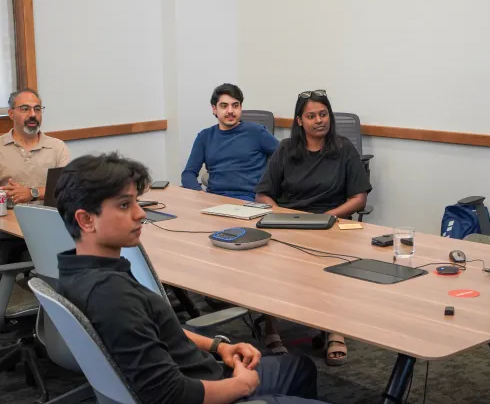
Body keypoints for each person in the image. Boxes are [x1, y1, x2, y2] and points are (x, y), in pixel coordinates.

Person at [55, 152, 329, 404]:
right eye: (125, 205)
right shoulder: (111, 295)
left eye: (136, 202)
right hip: (207, 391)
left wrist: (219, 346)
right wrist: (242, 386)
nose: (140, 213)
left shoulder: (77, 269)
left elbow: (154, 329)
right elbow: (171, 395)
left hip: (204, 370)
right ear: (86, 220)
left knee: (299, 368)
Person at [255, 89, 372, 366]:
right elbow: (263, 194)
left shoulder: (344, 149)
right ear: (299, 121)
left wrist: (325, 219)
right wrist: (282, 215)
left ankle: (335, 330)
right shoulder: (285, 150)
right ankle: (271, 328)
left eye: (323, 114)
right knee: (262, 260)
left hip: (331, 222)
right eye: (311, 116)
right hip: (289, 222)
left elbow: (358, 198)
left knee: (334, 261)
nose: (319, 120)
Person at [181, 84, 279, 201]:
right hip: (214, 200)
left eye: (235, 105)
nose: (230, 111)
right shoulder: (204, 136)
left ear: (240, 107)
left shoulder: (257, 132)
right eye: (224, 106)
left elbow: (286, 157)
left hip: (250, 200)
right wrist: (201, 195)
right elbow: (188, 173)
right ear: (214, 109)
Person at [0, 88, 70, 204]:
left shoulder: (57, 147)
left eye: (37, 109)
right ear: (11, 114)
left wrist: (32, 193)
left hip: (48, 218)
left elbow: (67, 188)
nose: (33, 114)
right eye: (25, 109)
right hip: (8, 218)